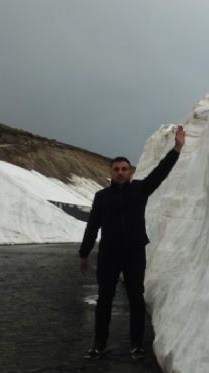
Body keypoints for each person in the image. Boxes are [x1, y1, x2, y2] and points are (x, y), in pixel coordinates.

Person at [78, 125, 185, 360]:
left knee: (136, 298)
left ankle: (137, 344)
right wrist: (84, 253)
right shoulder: (101, 197)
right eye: (116, 169)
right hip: (108, 254)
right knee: (104, 299)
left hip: (135, 252)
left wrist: (176, 149)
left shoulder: (140, 190)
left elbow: (160, 173)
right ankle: (99, 344)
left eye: (124, 169)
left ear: (130, 172)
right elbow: (92, 226)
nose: (120, 172)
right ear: (110, 172)